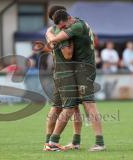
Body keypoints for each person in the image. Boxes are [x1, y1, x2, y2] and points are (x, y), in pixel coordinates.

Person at [46, 9, 105, 152]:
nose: (62, 29)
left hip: (84, 68)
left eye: (62, 26)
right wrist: (50, 33)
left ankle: (100, 143)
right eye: (59, 27)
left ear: (68, 19)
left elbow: (55, 41)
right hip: (77, 68)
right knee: (76, 106)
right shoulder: (78, 23)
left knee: (88, 104)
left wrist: (49, 34)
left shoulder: (76, 27)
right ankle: (75, 142)